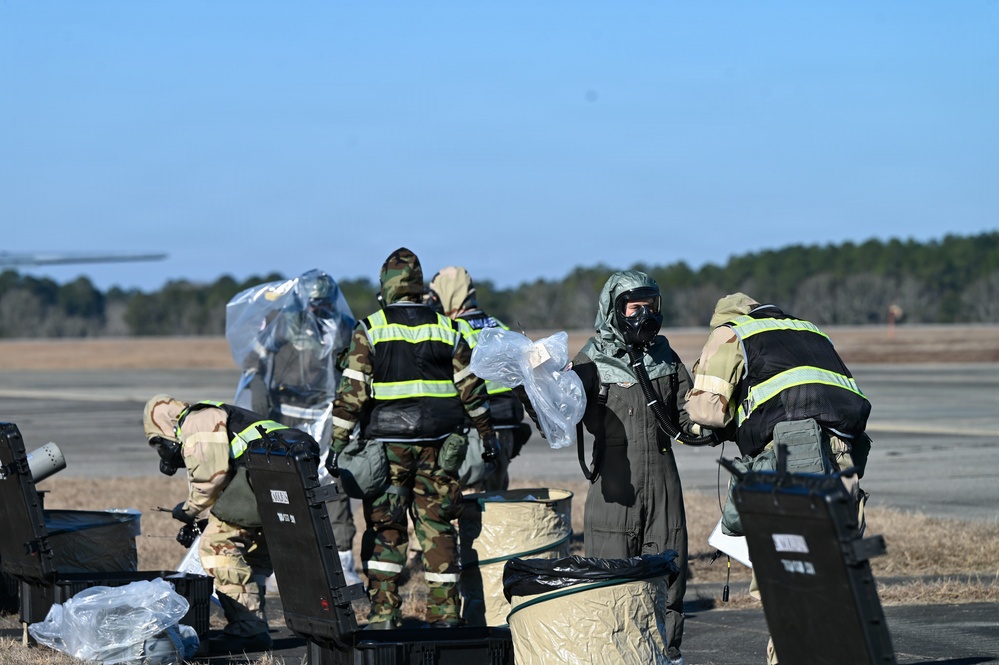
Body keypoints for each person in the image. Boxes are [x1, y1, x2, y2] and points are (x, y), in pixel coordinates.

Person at [685, 293, 872, 665]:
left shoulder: (731, 333)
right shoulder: (807, 331)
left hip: (790, 459)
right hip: (842, 461)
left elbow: (708, 412)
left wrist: (690, 416)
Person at [519, 270, 696, 665]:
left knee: (669, 579)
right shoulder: (591, 360)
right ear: (614, 310)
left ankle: (667, 655)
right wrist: (531, 386)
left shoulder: (665, 357)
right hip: (614, 488)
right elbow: (557, 419)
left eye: (650, 306)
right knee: (609, 580)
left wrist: (714, 412)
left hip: (664, 484)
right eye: (635, 307)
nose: (643, 314)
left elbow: (687, 416)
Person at [328, 247, 496, 629]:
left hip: (386, 450)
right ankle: (447, 614)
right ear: (420, 288)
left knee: (386, 529)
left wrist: (337, 444)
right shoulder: (449, 327)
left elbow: (352, 394)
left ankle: (384, 613)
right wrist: (487, 435)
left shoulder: (370, 328)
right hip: (440, 448)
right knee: (437, 528)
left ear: (386, 286)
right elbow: (472, 388)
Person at [143, 394, 317, 653]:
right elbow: (230, 488)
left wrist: (188, 511)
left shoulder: (194, 420)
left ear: (164, 425)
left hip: (265, 471)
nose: (162, 449)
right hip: (284, 467)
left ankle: (249, 629)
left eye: (158, 442)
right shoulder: (219, 415)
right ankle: (253, 626)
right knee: (254, 551)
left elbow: (211, 478)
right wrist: (205, 522)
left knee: (216, 546)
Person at [232, 270, 360, 585]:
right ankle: (283, 563)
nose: (317, 309)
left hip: (327, 415)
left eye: (322, 302)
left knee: (333, 484)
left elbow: (356, 367)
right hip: (286, 415)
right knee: (285, 487)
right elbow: (254, 361)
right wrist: (259, 396)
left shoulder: (343, 327)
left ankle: (342, 563)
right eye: (311, 302)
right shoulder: (283, 324)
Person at [427, 265, 530, 491]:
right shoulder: (499, 327)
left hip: (476, 430)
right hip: (507, 427)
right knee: (497, 496)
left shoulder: (453, 331)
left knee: (470, 499)